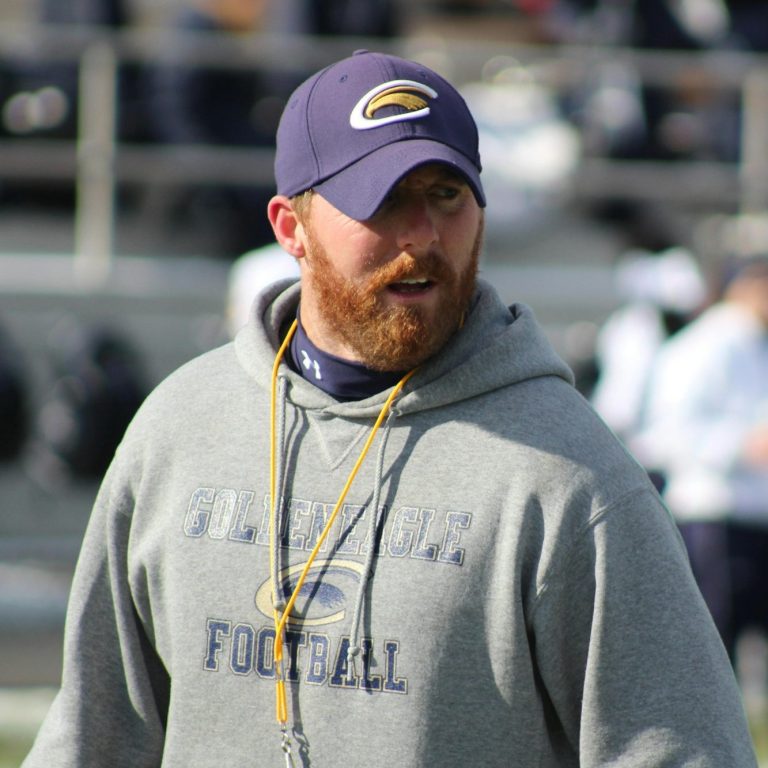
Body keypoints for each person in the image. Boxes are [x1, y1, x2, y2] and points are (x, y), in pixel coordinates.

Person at [22, 50, 757, 767]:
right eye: (382, 199)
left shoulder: (568, 474)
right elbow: (93, 735)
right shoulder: (178, 431)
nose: (422, 236)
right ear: (290, 227)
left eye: (447, 195)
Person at [630, 254, 768, 664]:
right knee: (714, 653)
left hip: (753, 516)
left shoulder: (754, 344)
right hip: (716, 516)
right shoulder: (703, 345)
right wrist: (743, 445)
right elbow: (666, 434)